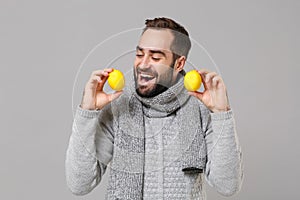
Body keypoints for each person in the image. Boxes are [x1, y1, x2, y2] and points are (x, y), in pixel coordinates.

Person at [65, 17, 243, 200]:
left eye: (156, 57)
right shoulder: (118, 108)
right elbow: (80, 184)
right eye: (140, 54)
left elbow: (227, 186)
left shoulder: (201, 109)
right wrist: (87, 113)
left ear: (179, 64)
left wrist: (222, 114)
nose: (143, 64)